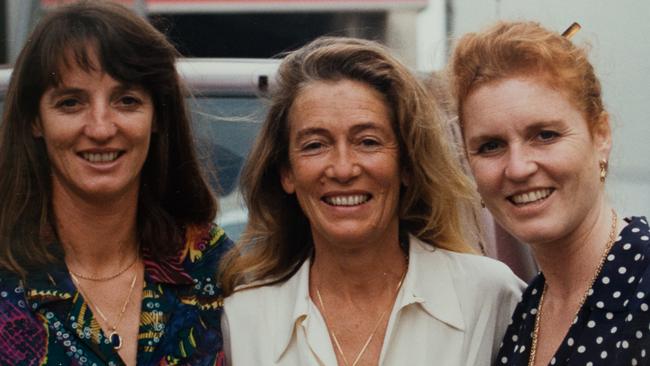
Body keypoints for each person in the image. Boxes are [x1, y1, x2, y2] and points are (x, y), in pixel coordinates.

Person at [220, 36, 524, 366]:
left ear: (407, 165)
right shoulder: (242, 322)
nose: (343, 168)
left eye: (367, 141)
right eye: (314, 145)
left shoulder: (491, 298)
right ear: (287, 173)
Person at [0, 2, 231, 365]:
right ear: (35, 121)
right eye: (71, 102)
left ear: (157, 116)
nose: (101, 128)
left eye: (126, 101)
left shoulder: (212, 265)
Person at [450, 21, 650, 366]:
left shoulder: (642, 280)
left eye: (545, 135)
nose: (518, 168)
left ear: (600, 135)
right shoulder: (526, 312)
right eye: (491, 146)